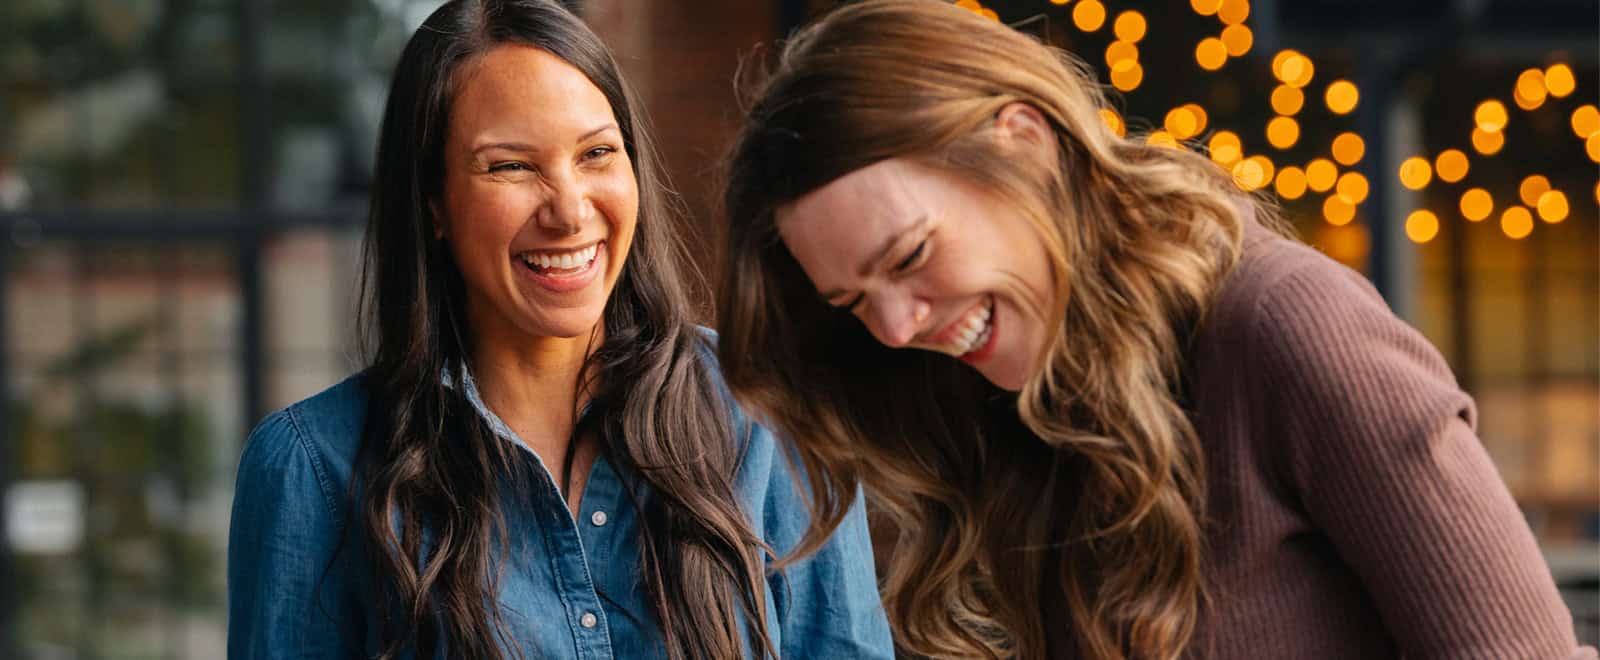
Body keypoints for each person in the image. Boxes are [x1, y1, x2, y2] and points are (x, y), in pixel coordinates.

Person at [716, 1, 1595, 658]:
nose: (897, 326)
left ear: (1026, 141)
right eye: (854, 301)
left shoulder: (1286, 328)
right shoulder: (997, 404)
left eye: (908, 256)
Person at [226, 1, 891, 658]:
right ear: (433, 204)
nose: (571, 212)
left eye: (598, 153)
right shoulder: (314, 469)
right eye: (511, 165)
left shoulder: (771, 412)